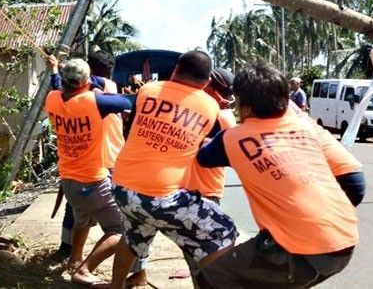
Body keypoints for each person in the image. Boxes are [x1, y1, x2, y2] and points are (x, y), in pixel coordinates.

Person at [197, 61, 366, 288]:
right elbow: (355, 182)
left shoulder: (233, 138)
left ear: (244, 105)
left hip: (301, 250)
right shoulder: (305, 127)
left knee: (211, 279)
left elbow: (203, 157)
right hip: (345, 241)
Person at [110, 50, 238, 289]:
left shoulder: (148, 90)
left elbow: (131, 131)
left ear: (176, 69)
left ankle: (115, 286)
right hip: (159, 197)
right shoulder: (210, 107)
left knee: (133, 238)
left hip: (122, 187)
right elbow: (207, 150)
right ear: (207, 82)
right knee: (222, 231)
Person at [44, 57, 134, 287]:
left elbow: (55, 84)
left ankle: (75, 260)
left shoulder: (53, 99)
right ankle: (84, 270)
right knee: (123, 230)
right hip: (92, 181)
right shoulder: (94, 101)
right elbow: (128, 102)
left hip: (69, 180)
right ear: (86, 81)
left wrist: (54, 69)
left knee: (82, 221)